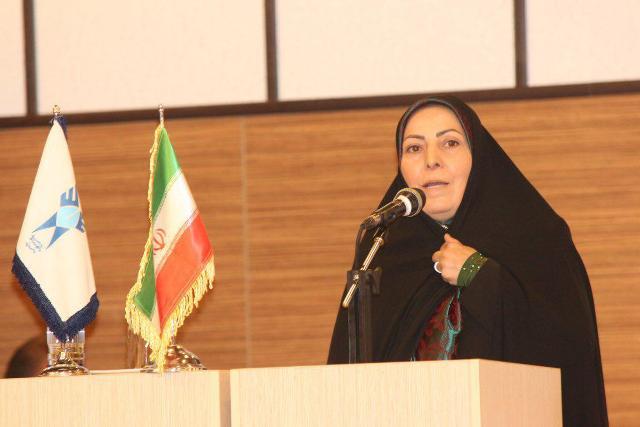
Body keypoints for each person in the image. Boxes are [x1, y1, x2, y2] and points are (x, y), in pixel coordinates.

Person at [328, 96, 608, 426]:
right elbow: (348, 380)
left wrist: (481, 275)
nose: (431, 161)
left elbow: (568, 358)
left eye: (450, 143)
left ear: (477, 156)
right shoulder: (383, 250)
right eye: (414, 148)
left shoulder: (537, 239)